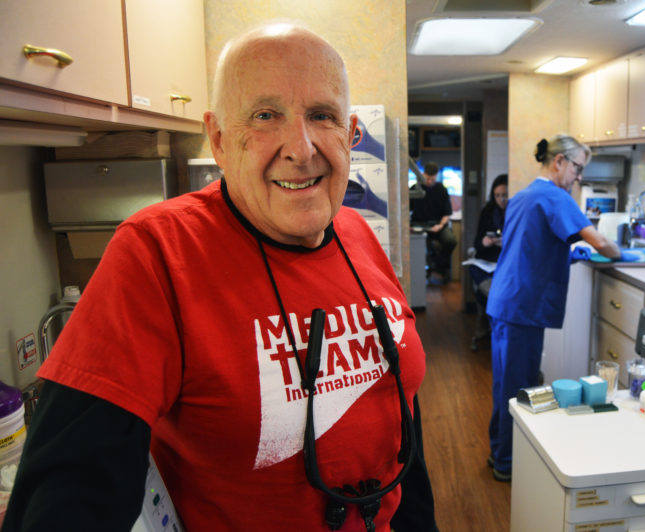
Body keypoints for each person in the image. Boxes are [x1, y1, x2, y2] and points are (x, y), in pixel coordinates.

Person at [3, 23, 437, 532]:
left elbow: (401, 402)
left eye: (322, 115)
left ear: (351, 133)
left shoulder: (358, 234)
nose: (301, 148)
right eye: (265, 115)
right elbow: (68, 498)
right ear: (220, 140)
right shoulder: (157, 254)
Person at [485, 134, 634, 482]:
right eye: (578, 168)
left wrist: (569, 253)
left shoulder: (523, 195)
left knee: (504, 386)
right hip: (521, 308)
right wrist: (622, 254)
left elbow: (531, 247)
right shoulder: (555, 196)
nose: (579, 177)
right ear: (559, 162)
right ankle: (508, 464)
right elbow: (600, 241)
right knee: (517, 388)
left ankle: (499, 454)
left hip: (506, 301)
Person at [468, 174, 508, 349]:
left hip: (504, 261)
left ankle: (489, 323)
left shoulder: (516, 212)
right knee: (476, 273)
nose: (501, 199)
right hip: (486, 260)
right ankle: (494, 321)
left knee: (485, 293)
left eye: (504, 195)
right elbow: (477, 243)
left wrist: (504, 242)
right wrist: (485, 242)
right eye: (497, 195)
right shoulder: (488, 211)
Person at [409, 162, 457, 284]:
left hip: (437, 225)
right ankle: (421, 274)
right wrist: (408, 226)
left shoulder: (442, 190)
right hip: (418, 225)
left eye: (432, 179)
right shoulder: (415, 189)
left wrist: (440, 225)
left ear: (436, 177)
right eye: (427, 179)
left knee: (450, 240)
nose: (429, 182)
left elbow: (447, 213)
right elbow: (405, 211)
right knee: (416, 246)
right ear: (422, 174)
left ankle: (437, 266)